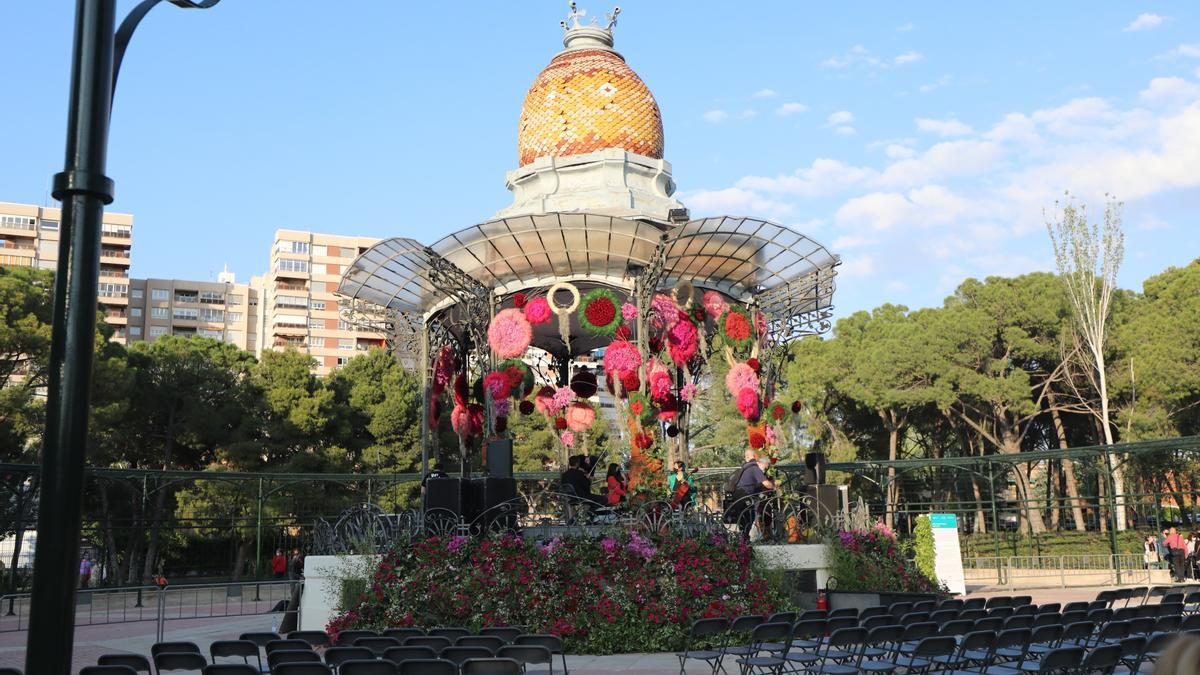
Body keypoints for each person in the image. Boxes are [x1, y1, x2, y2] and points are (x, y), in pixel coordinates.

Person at [733, 455, 776, 541]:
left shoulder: (750, 467)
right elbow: (766, 484)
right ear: (762, 463)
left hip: (739, 493)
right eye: (766, 467)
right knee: (748, 516)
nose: (765, 469)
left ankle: (744, 539)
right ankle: (744, 538)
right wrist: (774, 486)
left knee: (744, 517)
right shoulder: (756, 469)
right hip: (744, 494)